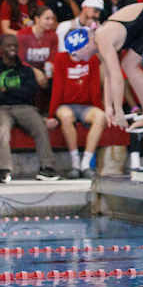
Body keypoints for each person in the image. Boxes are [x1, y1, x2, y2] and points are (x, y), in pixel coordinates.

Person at [69, 2, 143, 130]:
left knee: (129, 65)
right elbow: (108, 76)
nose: (76, 58)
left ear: (84, 46)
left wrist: (119, 110)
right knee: (129, 64)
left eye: (75, 54)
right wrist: (109, 107)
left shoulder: (102, 39)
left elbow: (117, 77)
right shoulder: (98, 42)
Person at [0, 34, 59, 182]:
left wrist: (6, 90)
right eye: (9, 45)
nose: (13, 48)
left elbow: (29, 93)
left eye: (15, 45)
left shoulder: (26, 70)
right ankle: (4, 170)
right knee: (2, 130)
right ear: (1, 48)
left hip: (24, 107)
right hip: (2, 108)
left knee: (40, 128)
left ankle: (47, 168)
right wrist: (15, 92)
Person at [48, 28, 105, 178]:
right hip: (66, 105)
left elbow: (94, 88)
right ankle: (75, 163)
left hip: (86, 106)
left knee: (100, 116)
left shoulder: (92, 59)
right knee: (66, 116)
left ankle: (85, 163)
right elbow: (57, 88)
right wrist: (51, 114)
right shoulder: (61, 58)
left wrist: (100, 109)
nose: (89, 47)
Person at [17, 4, 58, 88]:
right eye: (47, 18)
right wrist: (35, 72)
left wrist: (50, 66)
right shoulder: (23, 34)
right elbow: (19, 60)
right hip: (26, 73)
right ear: (37, 19)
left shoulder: (53, 35)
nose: (51, 22)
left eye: (52, 19)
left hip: (45, 73)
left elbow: (53, 57)